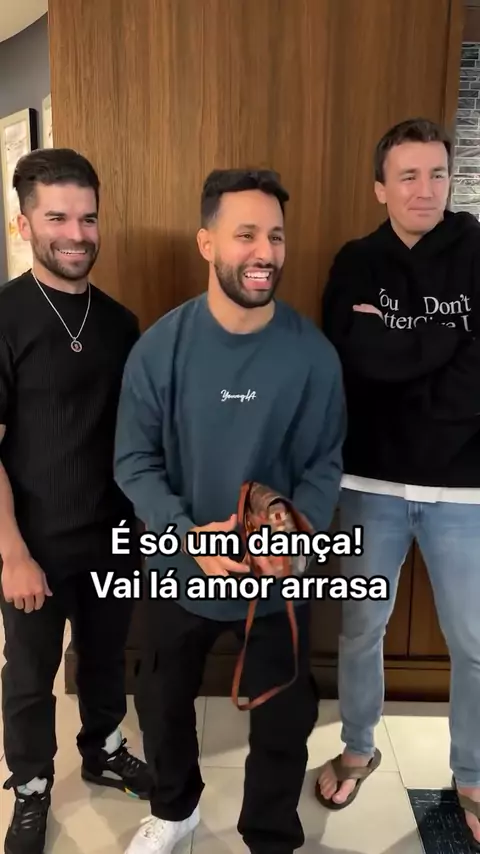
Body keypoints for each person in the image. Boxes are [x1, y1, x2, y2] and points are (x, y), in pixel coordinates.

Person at [113, 167, 346, 854]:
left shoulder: (313, 356)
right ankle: (174, 810)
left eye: (275, 236)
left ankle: (270, 836)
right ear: (207, 243)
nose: (264, 252)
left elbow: (323, 465)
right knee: (160, 702)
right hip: (179, 566)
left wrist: (291, 538)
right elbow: (134, 462)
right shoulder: (160, 349)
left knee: (284, 718)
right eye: (246, 235)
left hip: (275, 580)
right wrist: (188, 538)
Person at [315, 117, 480, 850]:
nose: (425, 188)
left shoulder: (478, 252)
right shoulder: (356, 262)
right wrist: (445, 343)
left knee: (474, 642)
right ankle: (358, 747)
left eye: (437, 173)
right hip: (370, 482)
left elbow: (425, 368)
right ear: (380, 187)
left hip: (465, 488)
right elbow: (353, 361)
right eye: (407, 175)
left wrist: (401, 352)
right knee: (360, 628)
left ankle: (473, 774)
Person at [0, 148, 151, 854]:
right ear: (23, 224)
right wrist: (11, 554)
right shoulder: (5, 317)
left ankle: (104, 750)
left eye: (87, 218)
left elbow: (136, 438)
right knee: (31, 678)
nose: (76, 234)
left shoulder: (121, 323)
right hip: (32, 543)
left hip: (112, 536)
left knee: (104, 656)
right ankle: (32, 788)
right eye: (57, 217)